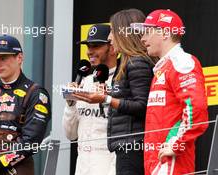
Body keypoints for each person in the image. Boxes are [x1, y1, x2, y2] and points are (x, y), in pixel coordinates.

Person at [73, 9, 157, 175]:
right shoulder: (127, 64)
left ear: (124, 33)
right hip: (125, 145)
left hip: (133, 145)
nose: (110, 38)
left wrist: (106, 99)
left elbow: (143, 106)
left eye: (113, 32)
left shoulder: (136, 62)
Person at [135, 9, 209, 174]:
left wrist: (177, 144)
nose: (143, 38)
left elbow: (196, 109)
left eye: (147, 32)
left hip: (172, 163)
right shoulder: (163, 67)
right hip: (157, 162)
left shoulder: (181, 61)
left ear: (164, 33)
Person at [0, 34, 51, 175]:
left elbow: (31, 141)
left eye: (3, 58)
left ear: (19, 58)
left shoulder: (35, 93)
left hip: (17, 170)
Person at [62, 24, 117, 175]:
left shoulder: (122, 81)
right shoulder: (84, 82)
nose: (89, 52)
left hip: (110, 166)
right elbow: (70, 134)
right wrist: (70, 104)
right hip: (82, 167)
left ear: (112, 48)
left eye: (96, 46)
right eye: (88, 46)